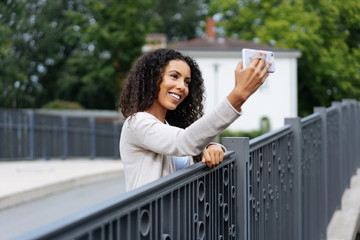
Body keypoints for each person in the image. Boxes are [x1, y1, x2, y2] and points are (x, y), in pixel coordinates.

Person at [119, 48, 271, 191]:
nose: (182, 87)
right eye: (174, 76)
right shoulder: (137, 123)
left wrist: (214, 148)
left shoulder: (167, 126)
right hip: (150, 218)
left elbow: (189, 142)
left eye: (187, 82)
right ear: (151, 79)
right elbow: (184, 142)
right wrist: (238, 96)